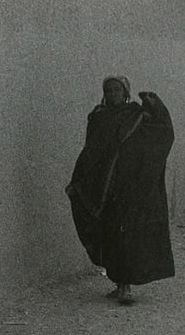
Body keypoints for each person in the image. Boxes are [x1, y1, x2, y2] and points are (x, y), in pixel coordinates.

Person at [65, 75, 175, 305]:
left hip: (128, 186)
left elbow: (162, 131)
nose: (113, 94)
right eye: (109, 90)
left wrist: (156, 105)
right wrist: (79, 180)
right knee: (110, 235)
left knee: (126, 234)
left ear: (125, 92)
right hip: (105, 188)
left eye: (117, 89)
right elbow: (90, 151)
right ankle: (118, 282)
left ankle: (126, 286)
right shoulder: (98, 117)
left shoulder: (136, 116)